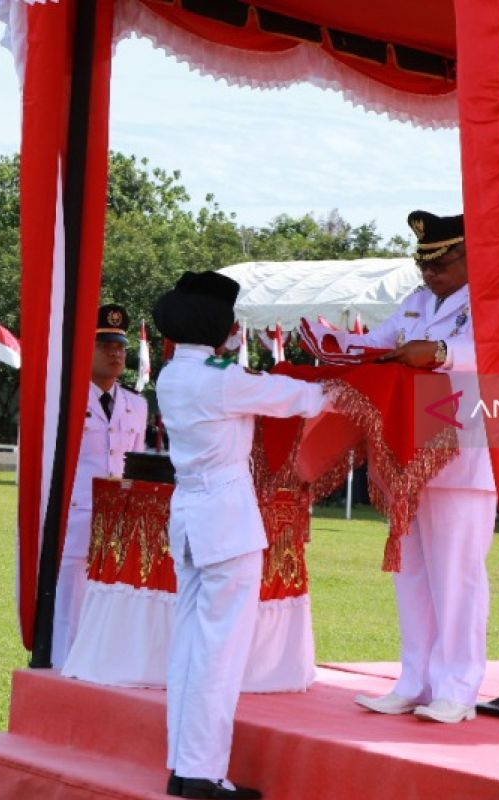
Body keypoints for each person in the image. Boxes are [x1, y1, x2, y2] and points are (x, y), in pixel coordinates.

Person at [153, 271, 333, 800]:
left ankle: (183, 765)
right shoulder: (220, 379)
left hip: (190, 516)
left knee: (189, 646)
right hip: (226, 521)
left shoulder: (171, 375)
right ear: (221, 326)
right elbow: (303, 398)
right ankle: (204, 773)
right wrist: (345, 386)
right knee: (219, 652)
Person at [318, 210, 497, 724]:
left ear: (469, 256)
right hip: (411, 450)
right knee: (413, 571)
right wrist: (336, 344)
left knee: (458, 577)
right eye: (423, 263)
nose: (428, 272)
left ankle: (458, 688)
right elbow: (380, 343)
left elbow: (497, 351)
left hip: (464, 451)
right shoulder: (418, 302)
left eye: (440, 263)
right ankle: (415, 679)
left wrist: (439, 351)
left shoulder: (490, 302)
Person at [50, 303, 148, 668]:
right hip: (76, 516)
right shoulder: (69, 400)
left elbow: (136, 465)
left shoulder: (136, 406)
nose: (115, 353)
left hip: (118, 522)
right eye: (105, 345)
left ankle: (100, 668)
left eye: (120, 347)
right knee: (69, 602)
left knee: (111, 601)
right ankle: (62, 667)